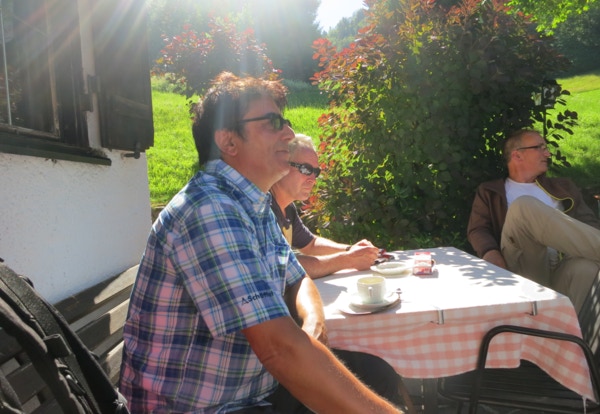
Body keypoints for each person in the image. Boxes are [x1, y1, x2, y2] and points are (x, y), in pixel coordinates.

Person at [119, 72, 402, 413]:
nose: (289, 134)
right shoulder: (210, 208)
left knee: (378, 374)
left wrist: (313, 326)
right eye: (273, 122)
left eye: (285, 122)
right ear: (229, 142)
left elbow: (297, 278)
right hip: (202, 408)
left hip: (250, 394)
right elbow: (279, 350)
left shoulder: (253, 204)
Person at [467, 129, 600, 313]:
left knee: (586, 268)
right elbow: (477, 229)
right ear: (517, 155)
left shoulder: (563, 187)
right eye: (540, 148)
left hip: (562, 267)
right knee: (524, 206)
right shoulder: (491, 191)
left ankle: (568, 329)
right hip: (524, 268)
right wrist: (490, 252)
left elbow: (589, 223)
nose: (547, 153)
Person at [270, 134, 380, 279]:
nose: (313, 179)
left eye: (316, 172)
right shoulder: (264, 209)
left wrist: (351, 250)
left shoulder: (287, 208)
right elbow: (283, 266)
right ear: (282, 165)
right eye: (306, 169)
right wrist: (348, 260)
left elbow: (311, 244)